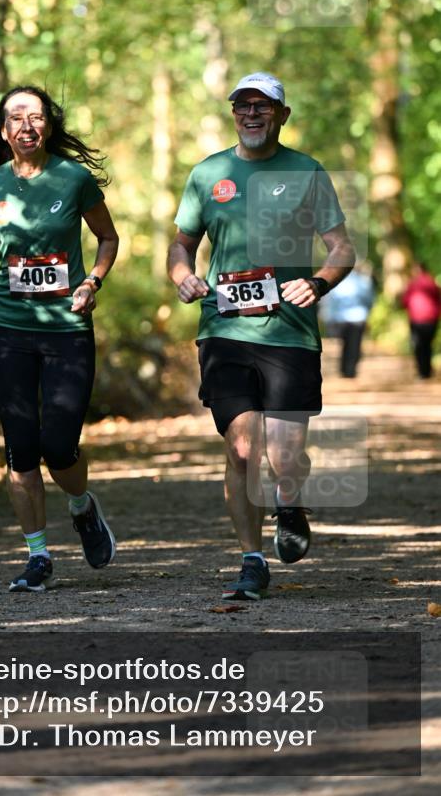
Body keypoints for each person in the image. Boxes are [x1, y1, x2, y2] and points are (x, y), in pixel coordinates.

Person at [168, 71, 355, 601]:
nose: (252, 114)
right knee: (244, 449)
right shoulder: (209, 174)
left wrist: (318, 283)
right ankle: (252, 561)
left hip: (290, 334)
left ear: (281, 115)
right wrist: (184, 277)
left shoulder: (307, 172)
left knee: (285, 457)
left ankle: (290, 502)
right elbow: (180, 245)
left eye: (263, 106)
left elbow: (342, 248)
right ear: (233, 114)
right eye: (242, 106)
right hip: (224, 328)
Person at [0, 85, 119, 591]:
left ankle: (82, 506)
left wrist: (92, 281)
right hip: (9, 330)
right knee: (20, 448)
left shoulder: (74, 179)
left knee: (59, 444)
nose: (26, 125)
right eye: (16, 118)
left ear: (49, 125)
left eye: (36, 116)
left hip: (67, 331)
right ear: (3, 131)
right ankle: (38, 556)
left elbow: (108, 237)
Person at [319, 264, 375, 378]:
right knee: (354, 344)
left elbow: (330, 301)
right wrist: (367, 312)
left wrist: (328, 317)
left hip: (341, 319)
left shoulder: (336, 282)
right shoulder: (362, 281)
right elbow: (369, 299)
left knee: (344, 344)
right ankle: (350, 369)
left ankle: (344, 368)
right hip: (358, 318)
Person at [401, 263, 441, 379]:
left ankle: (422, 371)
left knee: (418, 345)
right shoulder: (432, 282)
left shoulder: (412, 284)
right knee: (427, 345)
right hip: (431, 319)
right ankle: (427, 370)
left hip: (417, 319)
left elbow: (405, 301)